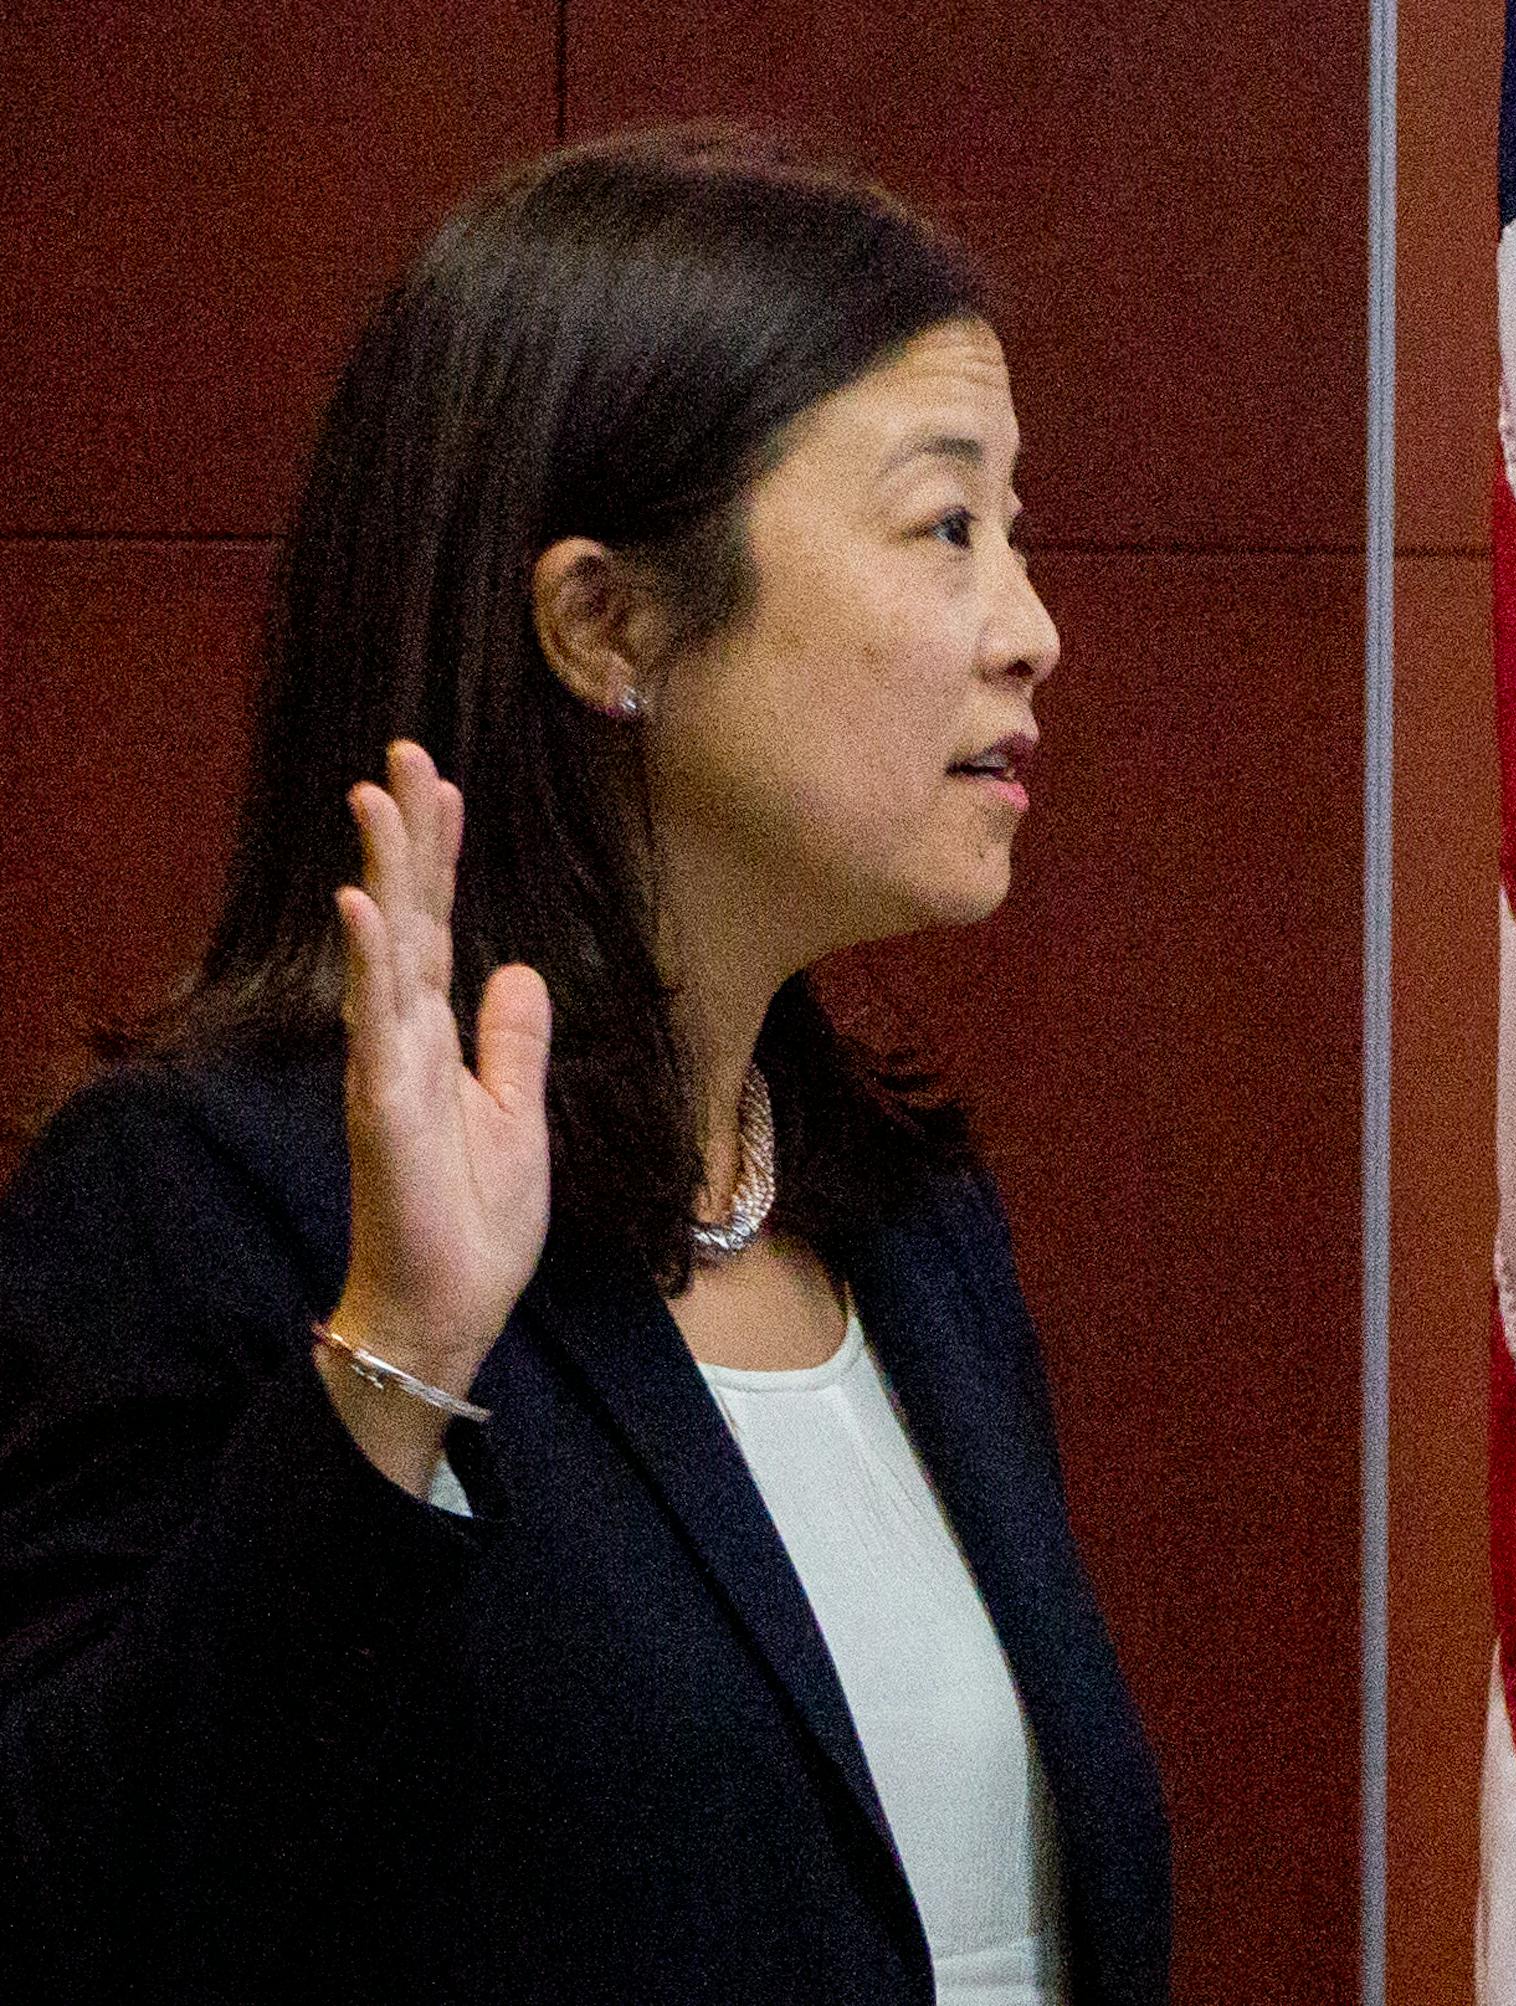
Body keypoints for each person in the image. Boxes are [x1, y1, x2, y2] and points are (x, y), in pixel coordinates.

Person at [0, 125, 1170, 2006]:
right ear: (607, 620)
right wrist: (395, 1366)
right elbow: (84, 1919)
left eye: (1013, 531)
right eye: (949, 525)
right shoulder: (211, 1202)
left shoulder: (911, 1219)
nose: (1031, 629)